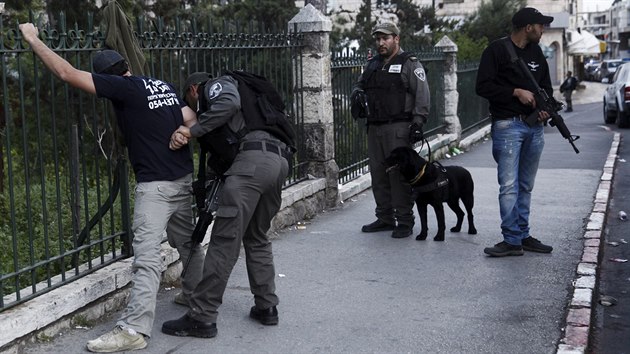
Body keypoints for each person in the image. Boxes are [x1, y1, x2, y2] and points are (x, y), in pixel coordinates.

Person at [19, 23, 205, 352]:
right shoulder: (159, 84)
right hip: (182, 179)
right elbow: (190, 116)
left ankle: (134, 329)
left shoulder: (123, 89)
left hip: (157, 186)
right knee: (187, 242)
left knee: (147, 257)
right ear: (128, 67)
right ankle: (197, 297)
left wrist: (33, 39)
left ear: (107, 79)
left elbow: (65, 73)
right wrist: (185, 132)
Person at [161, 72, 290, 338]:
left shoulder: (216, 85)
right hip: (278, 161)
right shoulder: (250, 99)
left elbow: (227, 103)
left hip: (252, 162)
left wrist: (191, 129)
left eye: (190, 100)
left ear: (194, 90)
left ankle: (202, 316)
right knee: (256, 237)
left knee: (224, 242)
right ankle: (267, 307)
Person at [475, 7, 555, 257]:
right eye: (540, 25)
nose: (543, 30)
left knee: (525, 185)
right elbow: (482, 86)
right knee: (509, 186)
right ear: (527, 27)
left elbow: (547, 89)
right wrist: (514, 92)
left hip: (534, 127)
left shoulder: (537, 52)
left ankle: (522, 235)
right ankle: (511, 239)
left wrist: (545, 110)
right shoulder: (496, 51)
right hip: (508, 125)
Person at [351, 22, 430, 239]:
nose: (380, 43)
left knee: (398, 175)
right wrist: (357, 93)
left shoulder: (409, 63)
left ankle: (404, 220)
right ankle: (385, 218)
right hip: (375, 128)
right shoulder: (373, 64)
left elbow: (422, 94)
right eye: (377, 39)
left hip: (399, 128)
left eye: (385, 38)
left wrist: (418, 122)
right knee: (378, 174)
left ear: (396, 38)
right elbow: (360, 85)